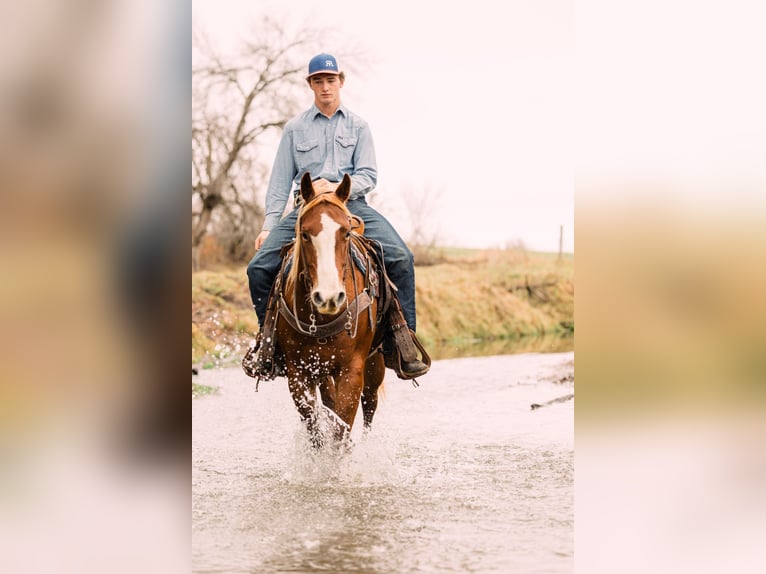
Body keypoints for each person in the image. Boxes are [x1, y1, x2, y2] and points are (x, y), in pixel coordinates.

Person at [244, 52, 429, 380]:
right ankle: (269, 346)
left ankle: (403, 341)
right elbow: (279, 182)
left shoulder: (359, 126)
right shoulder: (294, 129)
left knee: (401, 256)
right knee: (258, 267)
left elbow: (369, 175)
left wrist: (337, 186)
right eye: (318, 81)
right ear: (310, 85)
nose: (325, 86)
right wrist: (269, 225)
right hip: (308, 210)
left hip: (350, 206)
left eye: (330, 80)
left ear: (340, 82)